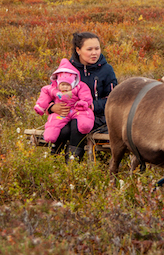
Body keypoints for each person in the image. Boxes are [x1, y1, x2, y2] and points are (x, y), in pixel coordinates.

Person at [46, 32, 118, 161]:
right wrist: (52, 107)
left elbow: (113, 99)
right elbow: (51, 92)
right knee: (63, 130)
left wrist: (92, 106)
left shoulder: (107, 70)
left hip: (98, 117)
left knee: (76, 125)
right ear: (78, 50)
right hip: (67, 113)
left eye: (97, 48)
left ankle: (73, 162)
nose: (94, 53)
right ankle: (54, 160)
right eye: (89, 49)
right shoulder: (67, 69)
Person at [34, 59, 94, 144]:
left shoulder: (79, 87)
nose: (65, 87)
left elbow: (85, 96)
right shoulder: (53, 89)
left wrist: (83, 103)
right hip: (60, 112)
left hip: (76, 109)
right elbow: (45, 96)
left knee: (82, 121)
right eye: (63, 84)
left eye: (68, 85)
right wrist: (41, 107)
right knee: (55, 124)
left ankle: (74, 151)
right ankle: (53, 143)